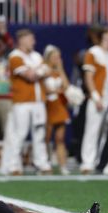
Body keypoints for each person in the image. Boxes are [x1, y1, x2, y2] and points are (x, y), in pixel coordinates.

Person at [7, 29, 52, 175]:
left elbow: (48, 70)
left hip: (38, 101)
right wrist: (39, 70)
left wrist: (36, 70)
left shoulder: (36, 55)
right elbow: (30, 76)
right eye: (31, 39)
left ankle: (43, 165)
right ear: (22, 40)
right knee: (20, 133)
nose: (34, 42)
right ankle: (14, 165)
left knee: (40, 134)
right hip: (22, 102)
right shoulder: (15, 56)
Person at [80, 28, 108, 174]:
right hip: (98, 98)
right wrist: (95, 96)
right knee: (92, 130)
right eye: (106, 39)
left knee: (106, 133)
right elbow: (88, 77)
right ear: (100, 39)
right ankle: (87, 163)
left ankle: (101, 163)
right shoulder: (93, 52)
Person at [42, 45, 71, 175]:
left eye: (58, 57)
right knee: (46, 138)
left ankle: (63, 165)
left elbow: (66, 86)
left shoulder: (59, 71)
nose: (57, 59)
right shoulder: (43, 71)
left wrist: (61, 69)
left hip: (60, 107)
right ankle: (46, 164)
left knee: (60, 138)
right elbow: (44, 89)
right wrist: (55, 90)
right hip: (48, 107)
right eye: (54, 57)